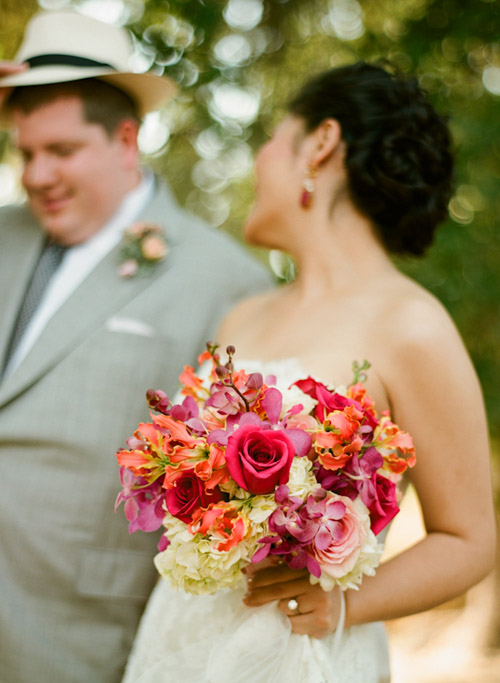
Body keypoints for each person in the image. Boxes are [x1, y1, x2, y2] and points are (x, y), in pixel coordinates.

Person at [122, 62, 497, 682]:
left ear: (320, 143)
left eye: (270, 138)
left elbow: (469, 539)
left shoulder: (412, 324)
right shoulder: (243, 317)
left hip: (301, 653)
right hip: (183, 637)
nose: (257, 161)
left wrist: (343, 601)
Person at [0, 10, 271, 683]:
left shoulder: (226, 279)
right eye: (24, 151)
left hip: (78, 633)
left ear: (126, 140)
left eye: (60, 151)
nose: (36, 175)